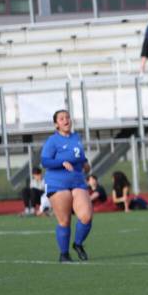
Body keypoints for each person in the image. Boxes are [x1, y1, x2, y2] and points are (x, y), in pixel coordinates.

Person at [41, 110, 93, 262]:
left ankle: (78, 244)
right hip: (58, 183)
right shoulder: (52, 140)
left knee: (86, 216)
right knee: (64, 221)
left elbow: (80, 157)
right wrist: (61, 162)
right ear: (56, 124)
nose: (66, 120)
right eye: (62, 118)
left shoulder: (76, 137)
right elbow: (45, 161)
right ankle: (64, 254)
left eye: (68, 117)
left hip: (77, 181)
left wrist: (86, 164)